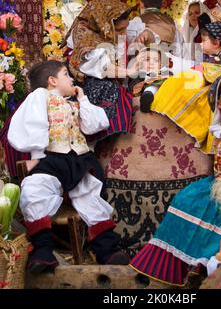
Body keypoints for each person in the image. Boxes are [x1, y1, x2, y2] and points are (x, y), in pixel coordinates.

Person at [130, 72, 221, 286]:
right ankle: (190, 266)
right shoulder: (220, 129)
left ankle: (213, 264)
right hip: (218, 182)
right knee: (186, 199)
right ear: (219, 102)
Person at [7, 60, 130, 274]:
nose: (72, 79)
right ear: (52, 81)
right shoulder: (40, 96)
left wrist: (83, 99)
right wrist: (36, 153)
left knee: (89, 195)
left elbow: (96, 125)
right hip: (52, 157)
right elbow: (32, 122)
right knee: (35, 189)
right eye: (66, 74)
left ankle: (107, 250)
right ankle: (43, 251)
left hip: (80, 159)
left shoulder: (75, 103)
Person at [66, 0, 135, 139]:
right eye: (120, 30)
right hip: (85, 87)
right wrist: (130, 72)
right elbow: (104, 69)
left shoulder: (100, 31)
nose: (124, 34)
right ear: (105, 24)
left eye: (125, 28)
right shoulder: (85, 35)